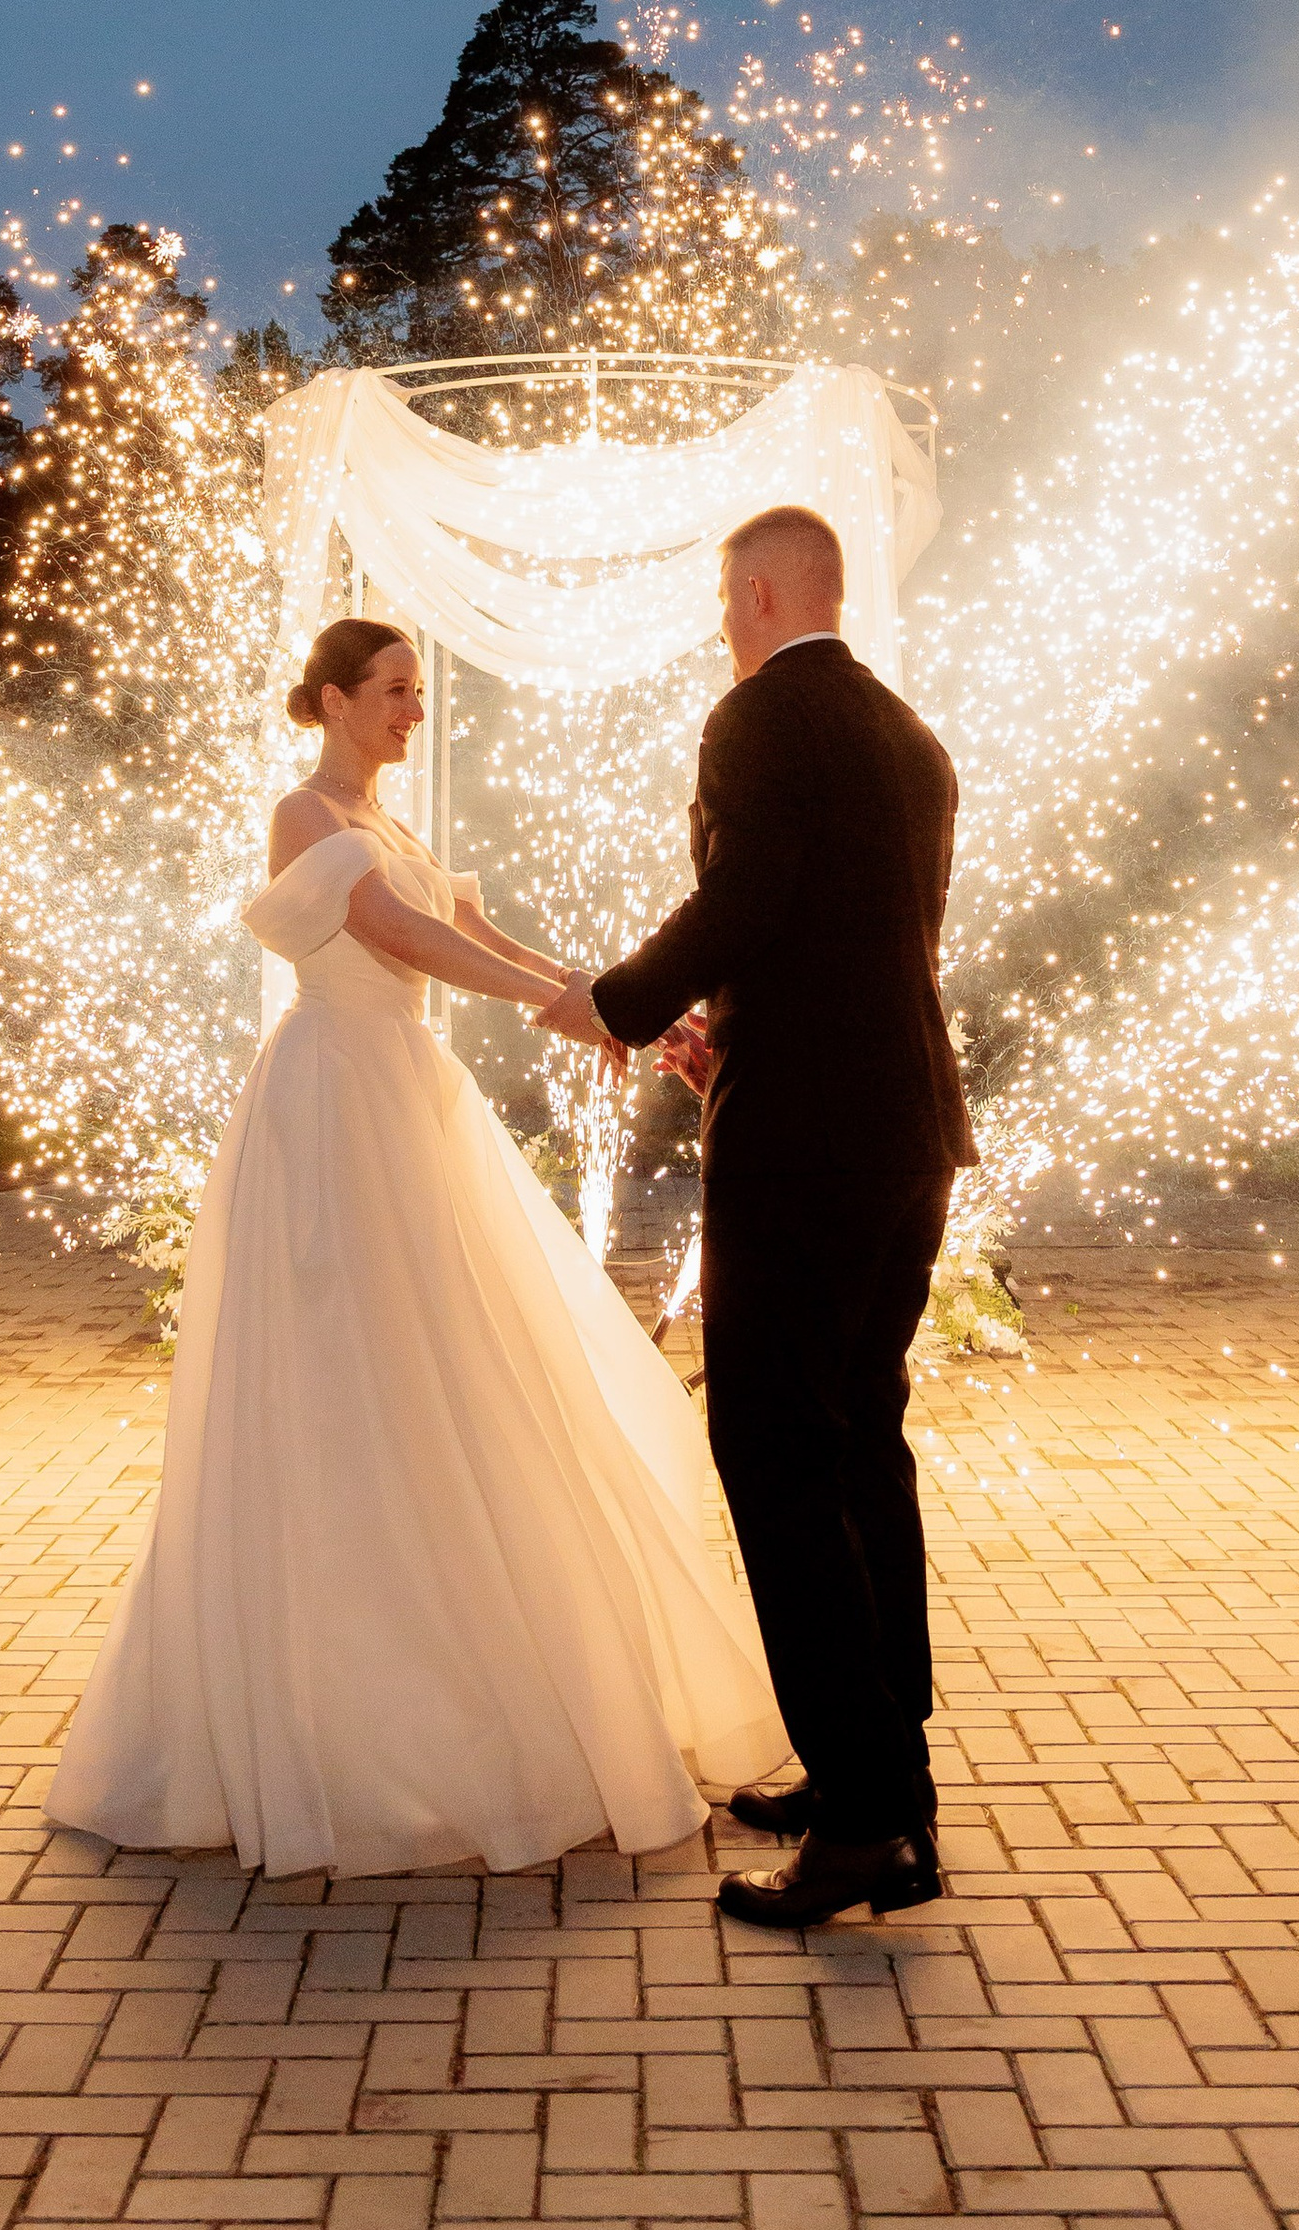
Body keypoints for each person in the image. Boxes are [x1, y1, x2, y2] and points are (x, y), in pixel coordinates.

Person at [49, 614, 788, 1880]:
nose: (413, 708)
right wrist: (566, 1013)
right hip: (333, 1109)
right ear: (333, 699)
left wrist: (627, 1008)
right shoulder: (304, 815)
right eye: (394, 689)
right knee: (348, 1370)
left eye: (419, 690)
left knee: (461, 1362)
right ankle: (343, 1717)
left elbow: (479, 937)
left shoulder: (396, 821)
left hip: (405, 1094)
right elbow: (397, 936)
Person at [537, 503, 973, 1927]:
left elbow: (747, 893)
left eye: (730, 603)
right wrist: (737, 1028)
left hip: (803, 1148)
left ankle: (859, 1829)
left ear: (768, 589)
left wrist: (615, 1004)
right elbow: (865, 932)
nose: (723, 626)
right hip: (906, 1129)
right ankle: (884, 1781)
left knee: (777, 1452)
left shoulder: (754, 720)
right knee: (860, 1442)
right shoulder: (909, 735)